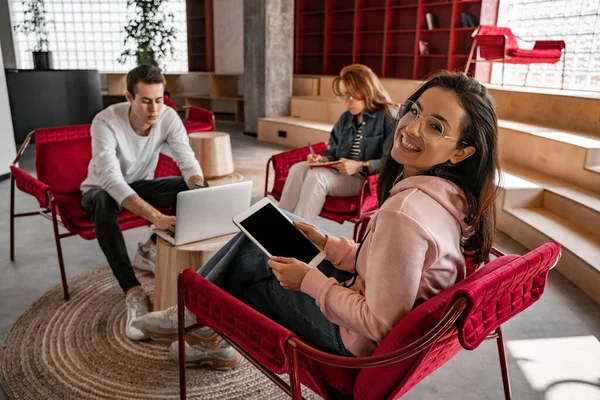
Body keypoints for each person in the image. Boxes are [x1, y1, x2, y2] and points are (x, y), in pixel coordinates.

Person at [136, 71, 500, 369]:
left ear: (461, 151)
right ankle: (197, 316)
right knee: (276, 226)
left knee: (248, 265)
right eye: (415, 111)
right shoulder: (452, 197)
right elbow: (390, 265)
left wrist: (310, 281)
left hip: (355, 345)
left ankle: (193, 313)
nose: (412, 127)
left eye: (436, 127)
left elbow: (379, 324)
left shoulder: (404, 214)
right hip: (365, 300)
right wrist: (329, 245)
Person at [80, 65, 206, 340]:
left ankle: (149, 249)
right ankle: (133, 291)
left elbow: (187, 161)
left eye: (159, 100)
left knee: (195, 188)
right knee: (103, 200)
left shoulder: (168, 117)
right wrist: (157, 218)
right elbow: (111, 181)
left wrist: (197, 188)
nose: (154, 109)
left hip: (139, 185)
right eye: (146, 101)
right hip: (99, 189)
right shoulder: (105, 122)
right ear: (129, 97)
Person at [278, 64, 397, 221]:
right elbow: (332, 151)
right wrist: (323, 160)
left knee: (317, 177)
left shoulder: (388, 116)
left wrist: (361, 165)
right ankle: (278, 222)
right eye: (342, 96)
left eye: (350, 95)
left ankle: (299, 232)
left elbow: (392, 162)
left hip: (364, 180)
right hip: (339, 172)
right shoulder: (346, 118)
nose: (345, 101)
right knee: (298, 169)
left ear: (366, 89)